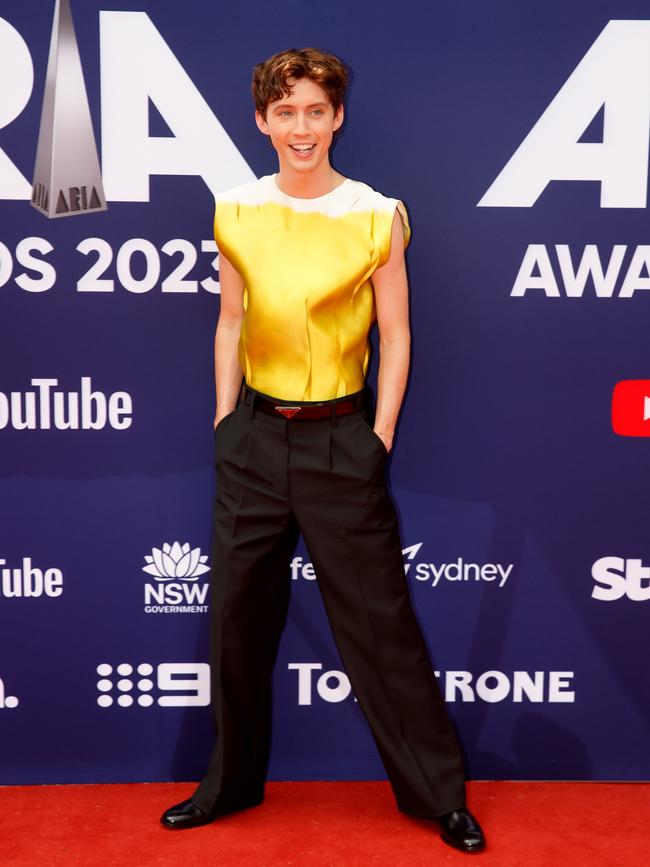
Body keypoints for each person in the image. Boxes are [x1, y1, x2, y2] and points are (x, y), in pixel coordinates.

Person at [161, 47, 485, 854]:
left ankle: (439, 795)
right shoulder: (233, 209)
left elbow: (398, 332)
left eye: (315, 111)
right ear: (263, 121)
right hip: (254, 441)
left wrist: (378, 434)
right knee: (236, 622)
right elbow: (231, 320)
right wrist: (224, 420)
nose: (300, 128)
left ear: (337, 116)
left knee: (382, 627)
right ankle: (229, 783)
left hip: (343, 438)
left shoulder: (378, 215)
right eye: (285, 112)